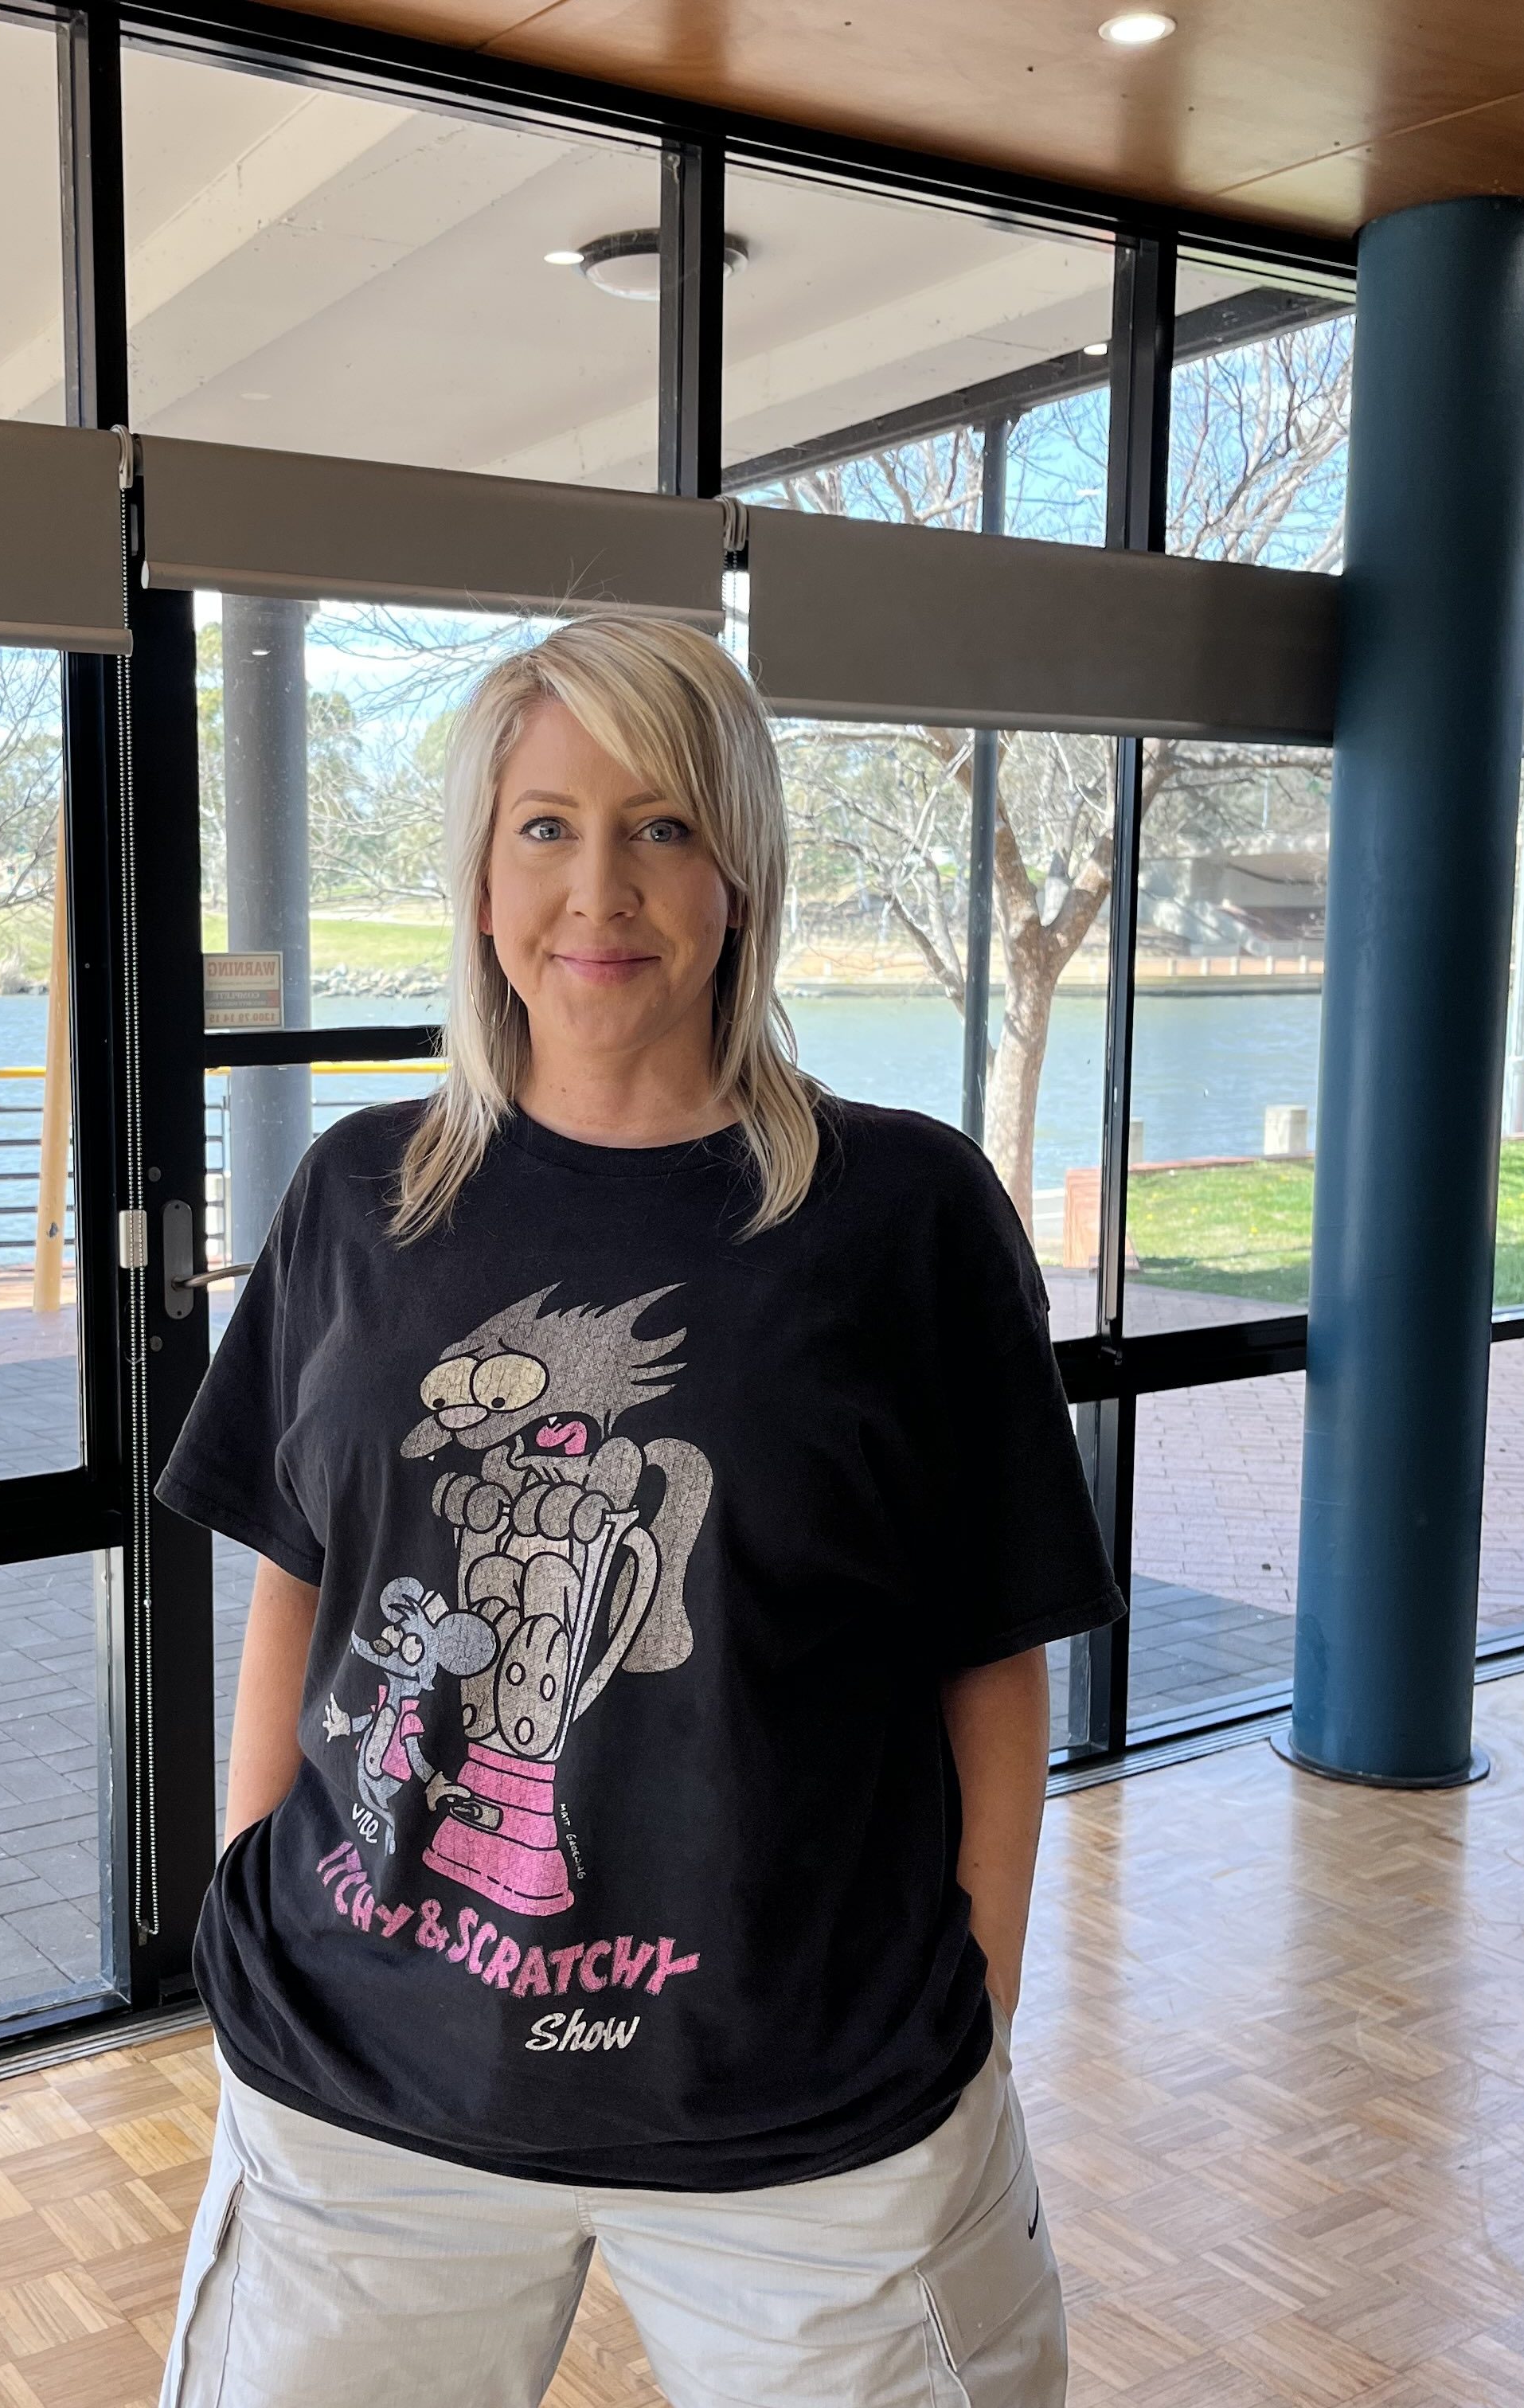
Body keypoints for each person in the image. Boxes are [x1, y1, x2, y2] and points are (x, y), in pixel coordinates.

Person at [154, 617, 1125, 2408]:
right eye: (545, 826)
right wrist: (249, 1901)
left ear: (737, 874)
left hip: (813, 2130)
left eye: (661, 826)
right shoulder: (361, 1194)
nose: (597, 887)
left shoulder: (901, 1212)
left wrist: (970, 2008)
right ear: (479, 877)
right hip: (362, 2096)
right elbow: (303, 1574)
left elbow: (987, 1656)